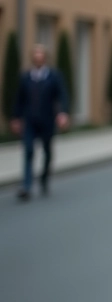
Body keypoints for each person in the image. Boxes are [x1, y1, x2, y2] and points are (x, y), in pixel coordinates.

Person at [10, 43, 71, 201]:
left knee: (47, 151)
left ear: (44, 58)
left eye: (40, 54)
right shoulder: (26, 77)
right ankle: (27, 186)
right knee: (28, 150)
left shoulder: (53, 76)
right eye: (35, 54)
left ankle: (44, 177)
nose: (38, 57)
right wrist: (16, 118)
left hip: (47, 120)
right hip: (30, 120)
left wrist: (63, 113)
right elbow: (19, 100)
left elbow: (62, 95)